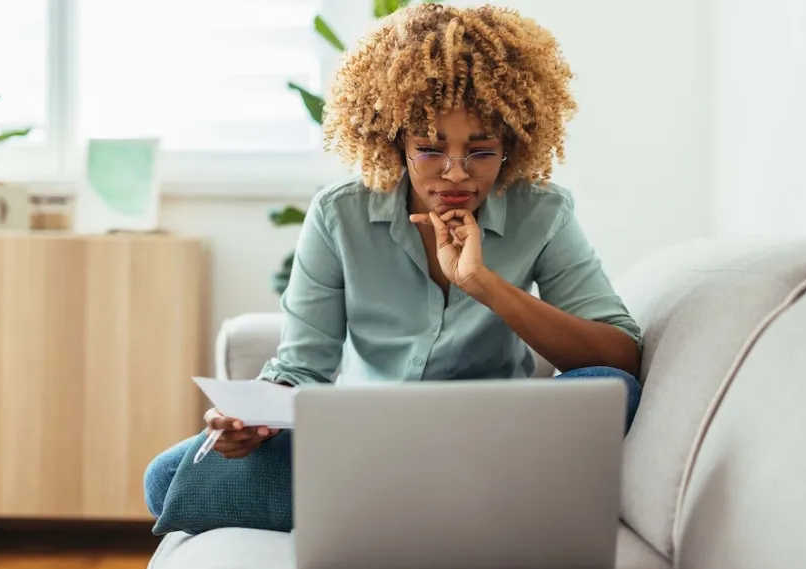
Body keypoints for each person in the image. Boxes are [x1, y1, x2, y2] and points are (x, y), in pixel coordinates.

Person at [144, 3, 643, 518]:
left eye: (481, 151)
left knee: (613, 390)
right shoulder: (341, 214)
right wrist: (252, 420)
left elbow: (619, 358)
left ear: (512, 145)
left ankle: (394, 506)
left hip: (489, 439)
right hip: (364, 440)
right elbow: (301, 368)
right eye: (429, 149)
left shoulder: (542, 212)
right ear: (394, 140)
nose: (455, 174)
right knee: (166, 480)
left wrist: (481, 282)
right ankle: (452, 506)